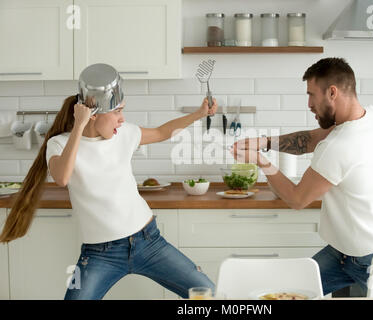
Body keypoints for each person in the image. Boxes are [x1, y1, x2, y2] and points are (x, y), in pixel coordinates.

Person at [0, 75, 217, 300]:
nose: (122, 119)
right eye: (117, 111)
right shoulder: (60, 143)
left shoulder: (125, 134)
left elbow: (162, 132)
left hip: (148, 242)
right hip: (100, 255)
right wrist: (79, 126)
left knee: (208, 292)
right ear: (93, 115)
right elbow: (62, 178)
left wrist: (198, 114)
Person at [232, 57, 373, 296]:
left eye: (312, 94)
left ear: (332, 92)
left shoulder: (339, 146)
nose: (309, 103)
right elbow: (311, 139)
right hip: (344, 253)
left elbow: (296, 199)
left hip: (372, 259)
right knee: (283, 292)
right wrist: (265, 142)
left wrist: (261, 161)